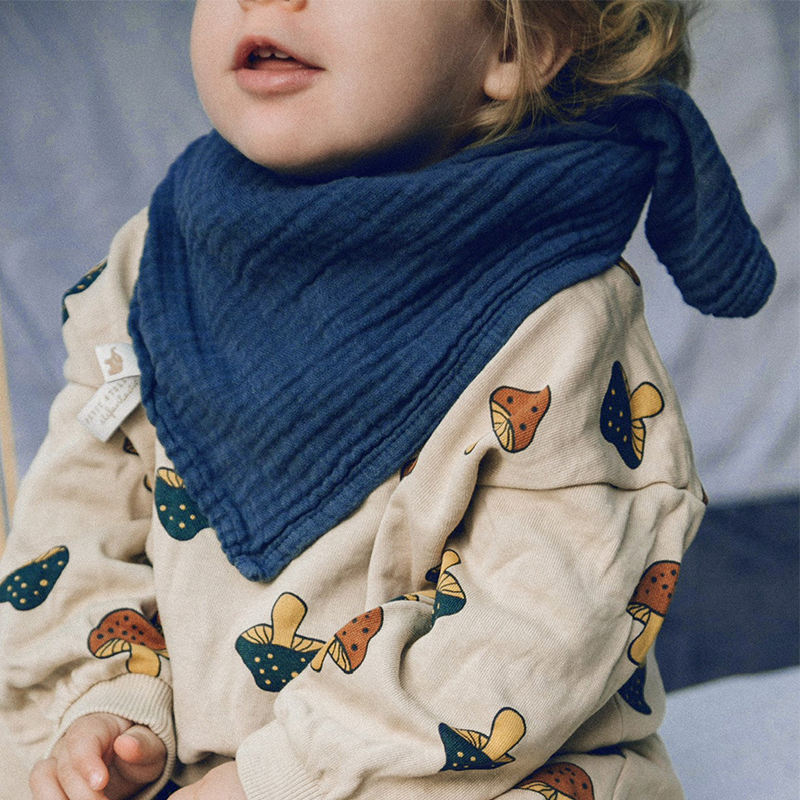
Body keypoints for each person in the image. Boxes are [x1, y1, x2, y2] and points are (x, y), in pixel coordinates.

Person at [0, 1, 774, 799]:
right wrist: (109, 707)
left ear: (517, 46)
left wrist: (274, 781)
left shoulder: (558, 316)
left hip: (435, 769)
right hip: (178, 761)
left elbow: (538, 627)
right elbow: (79, 517)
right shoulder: (156, 264)